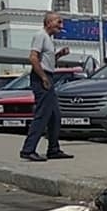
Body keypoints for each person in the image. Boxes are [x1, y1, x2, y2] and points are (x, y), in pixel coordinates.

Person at [20, 11, 74, 162]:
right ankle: (28, 149)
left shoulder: (49, 39)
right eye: (59, 22)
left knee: (55, 116)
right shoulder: (40, 35)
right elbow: (33, 58)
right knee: (42, 114)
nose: (61, 25)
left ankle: (53, 149)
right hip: (41, 77)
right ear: (49, 22)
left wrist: (59, 55)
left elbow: (47, 60)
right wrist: (43, 77)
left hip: (48, 75)